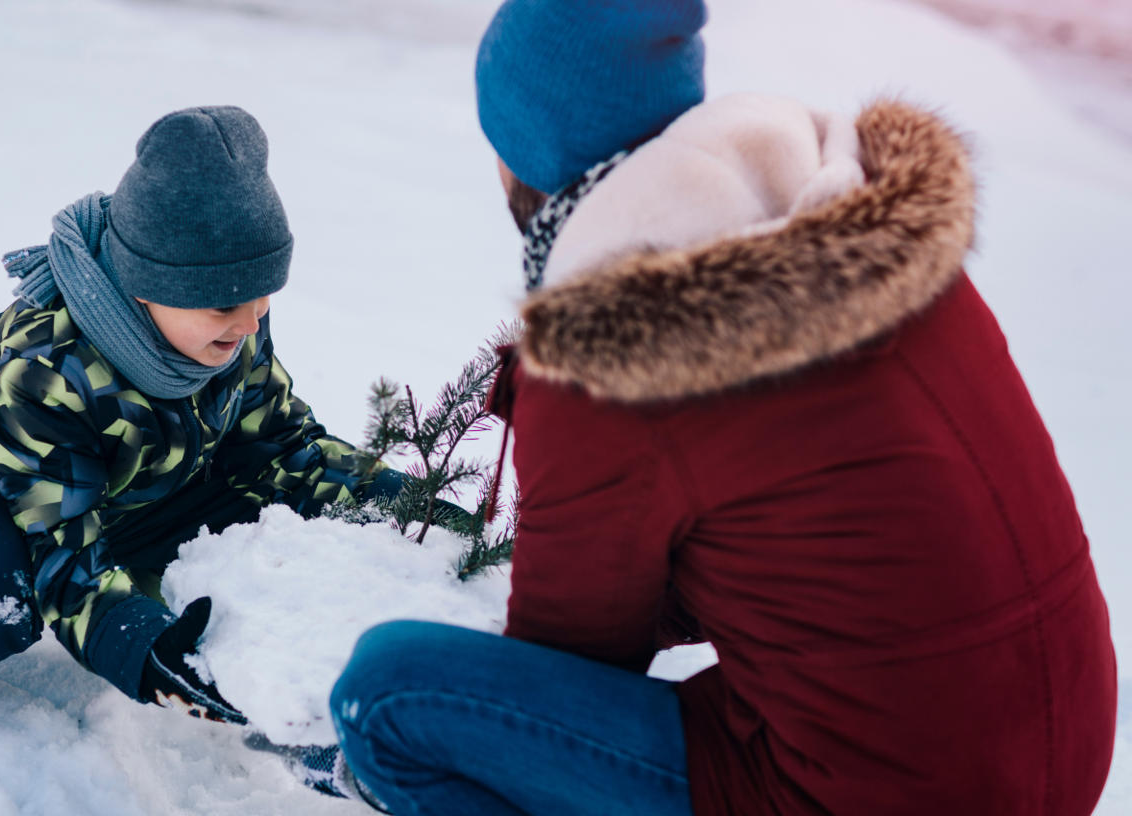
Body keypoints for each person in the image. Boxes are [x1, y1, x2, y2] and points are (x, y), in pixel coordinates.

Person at [328, 1, 1118, 814]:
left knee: (390, 699)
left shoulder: (617, 360)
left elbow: (572, 660)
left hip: (889, 790)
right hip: (1062, 742)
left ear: (522, 160)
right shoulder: (870, 237)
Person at [0, 106, 404, 743]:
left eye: (266, 295)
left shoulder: (223, 332)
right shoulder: (48, 369)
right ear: (146, 286)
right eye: (227, 304)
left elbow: (284, 446)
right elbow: (62, 544)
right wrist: (137, 646)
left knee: (267, 514)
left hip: (132, 483)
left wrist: (410, 506)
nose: (250, 322)